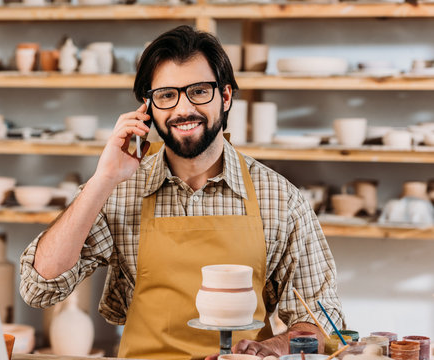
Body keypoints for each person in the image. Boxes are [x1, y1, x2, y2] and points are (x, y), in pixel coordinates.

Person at [20, 25, 345, 360]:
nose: (182, 109)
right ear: (147, 108)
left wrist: (269, 349)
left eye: (199, 91)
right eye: (166, 95)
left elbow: (323, 324)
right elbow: (39, 287)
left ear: (227, 96)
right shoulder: (120, 191)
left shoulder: (280, 200)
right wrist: (102, 178)